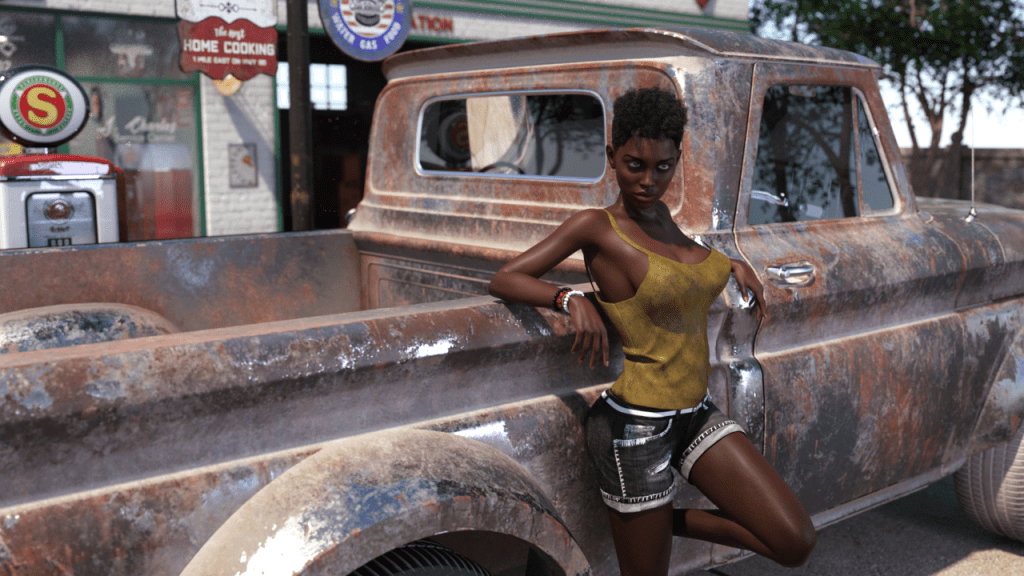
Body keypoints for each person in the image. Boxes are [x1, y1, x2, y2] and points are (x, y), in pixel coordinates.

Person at [488, 87, 816, 576]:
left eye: (662, 167)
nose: (648, 180)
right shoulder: (596, 226)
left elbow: (685, 263)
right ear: (611, 157)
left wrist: (730, 264)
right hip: (634, 428)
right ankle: (644, 519)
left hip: (695, 413)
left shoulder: (662, 216)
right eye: (634, 165)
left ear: (677, 160)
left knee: (794, 540)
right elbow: (506, 278)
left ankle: (652, 520)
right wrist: (570, 299)